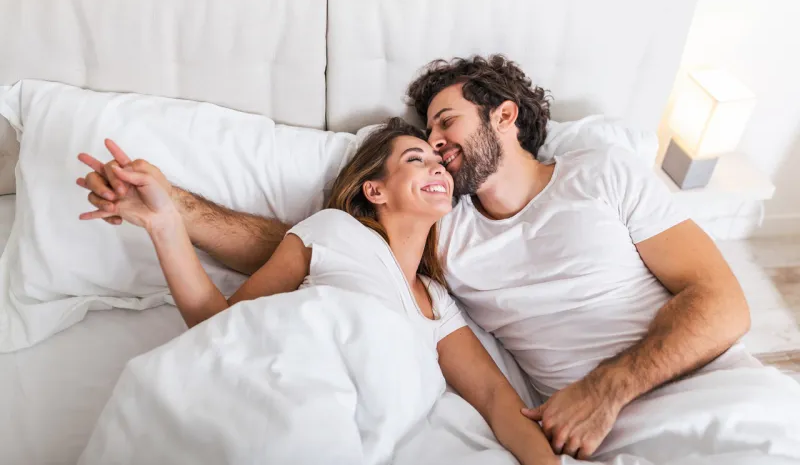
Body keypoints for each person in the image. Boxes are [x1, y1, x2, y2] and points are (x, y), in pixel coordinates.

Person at [78, 55, 754, 461]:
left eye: (445, 125)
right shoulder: (429, 231)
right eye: (423, 145)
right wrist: (173, 211)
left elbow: (722, 303)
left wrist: (599, 398)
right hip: (290, 400)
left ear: (505, 116)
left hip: (692, 387)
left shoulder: (600, 172)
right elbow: (292, 252)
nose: (438, 151)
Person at [78, 119, 558, 465]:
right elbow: (221, 330)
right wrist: (165, 224)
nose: (438, 169)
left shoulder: (437, 302)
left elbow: (495, 398)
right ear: (374, 190)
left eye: (439, 162)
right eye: (417, 160)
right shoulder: (332, 230)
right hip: (290, 402)